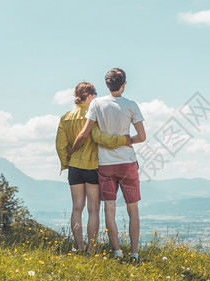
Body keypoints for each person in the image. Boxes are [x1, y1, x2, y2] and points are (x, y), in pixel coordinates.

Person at [70, 68, 146, 262]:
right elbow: (142, 136)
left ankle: (117, 251)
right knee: (133, 209)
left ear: (106, 85)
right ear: (124, 84)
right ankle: (135, 254)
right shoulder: (131, 105)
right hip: (127, 162)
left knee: (109, 208)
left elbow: (86, 132)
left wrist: (71, 152)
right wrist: (127, 140)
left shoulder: (96, 103)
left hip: (105, 164)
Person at [55, 82, 130, 252]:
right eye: (95, 94)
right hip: (92, 168)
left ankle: (79, 247)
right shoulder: (94, 116)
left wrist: (67, 162)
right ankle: (92, 248)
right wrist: (124, 140)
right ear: (88, 96)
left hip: (74, 168)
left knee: (76, 208)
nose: (96, 97)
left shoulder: (66, 117)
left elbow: (60, 146)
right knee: (93, 209)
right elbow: (100, 138)